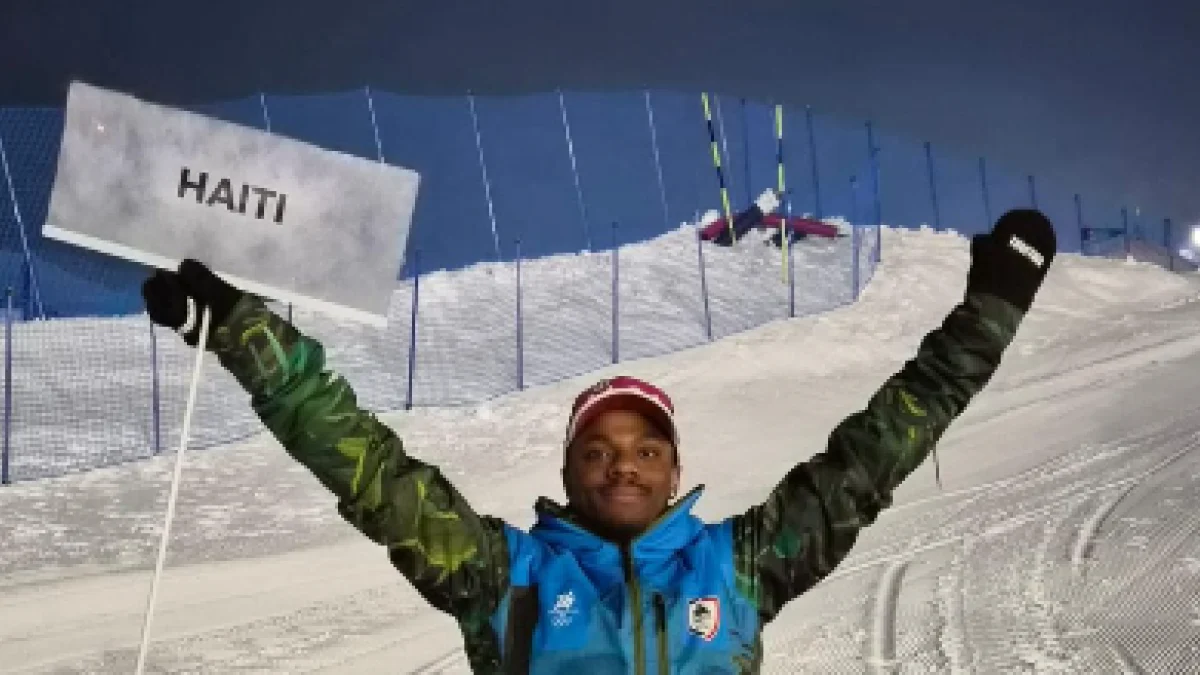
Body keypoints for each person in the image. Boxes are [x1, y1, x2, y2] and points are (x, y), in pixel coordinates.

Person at [141, 209, 1056, 674]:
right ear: (569, 471)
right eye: (599, 448)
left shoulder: (739, 566)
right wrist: (244, 337)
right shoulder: (505, 575)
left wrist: (989, 316)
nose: (624, 460)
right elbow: (368, 466)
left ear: (675, 473)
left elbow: (877, 450)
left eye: (647, 448)